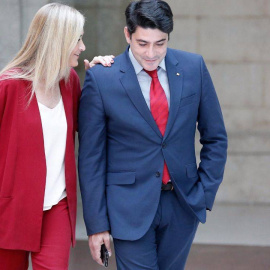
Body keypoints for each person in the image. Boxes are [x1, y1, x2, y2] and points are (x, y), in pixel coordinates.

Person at [79, 0, 228, 269]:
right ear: (127, 34)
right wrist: (96, 225)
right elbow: (91, 158)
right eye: (142, 43)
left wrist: (204, 192)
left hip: (182, 204)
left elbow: (215, 136)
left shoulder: (193, 67)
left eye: (160, 43)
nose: (151, 53)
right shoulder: (103, 78)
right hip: (127, 207)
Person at [0, 3, 113, 269]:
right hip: (10, 210)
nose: (83, 46)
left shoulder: (70, 81)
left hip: (57, 208)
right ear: (58, 40)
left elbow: (92, 127)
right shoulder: (8, 86)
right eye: (77, 39)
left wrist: (100, 80)